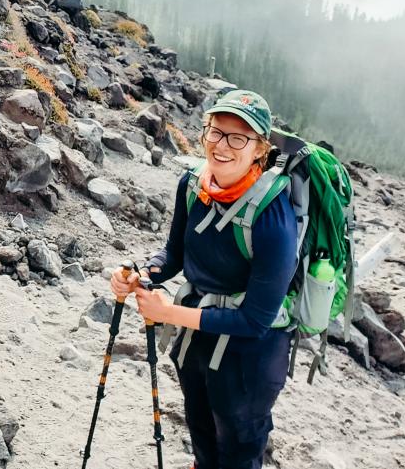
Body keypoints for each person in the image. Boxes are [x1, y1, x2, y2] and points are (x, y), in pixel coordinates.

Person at [111, 90, 298, 469]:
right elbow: (176, 254)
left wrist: (171, 314)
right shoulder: (193, 184)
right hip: (197, 338)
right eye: (216, 132)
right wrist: (142, 275)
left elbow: (256, 320)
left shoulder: (273, 216)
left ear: (259, 149)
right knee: (200, 428)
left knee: (238, 445)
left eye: (238, 138)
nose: (222, 145)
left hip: (251, 357)